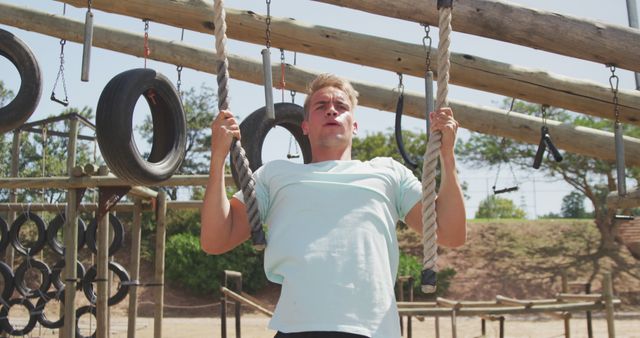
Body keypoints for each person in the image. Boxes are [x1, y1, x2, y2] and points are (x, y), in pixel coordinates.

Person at [201, 73, 466, 338]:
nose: (331, 110)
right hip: (297, 327)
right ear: (304, 126)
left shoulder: (388, 173)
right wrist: (218, 157)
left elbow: (451, 233)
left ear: (354, 126)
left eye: (341, 106)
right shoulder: (274, 175)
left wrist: (448, 155)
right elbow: (215, 240)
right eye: (321, 106)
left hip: (372, 330)